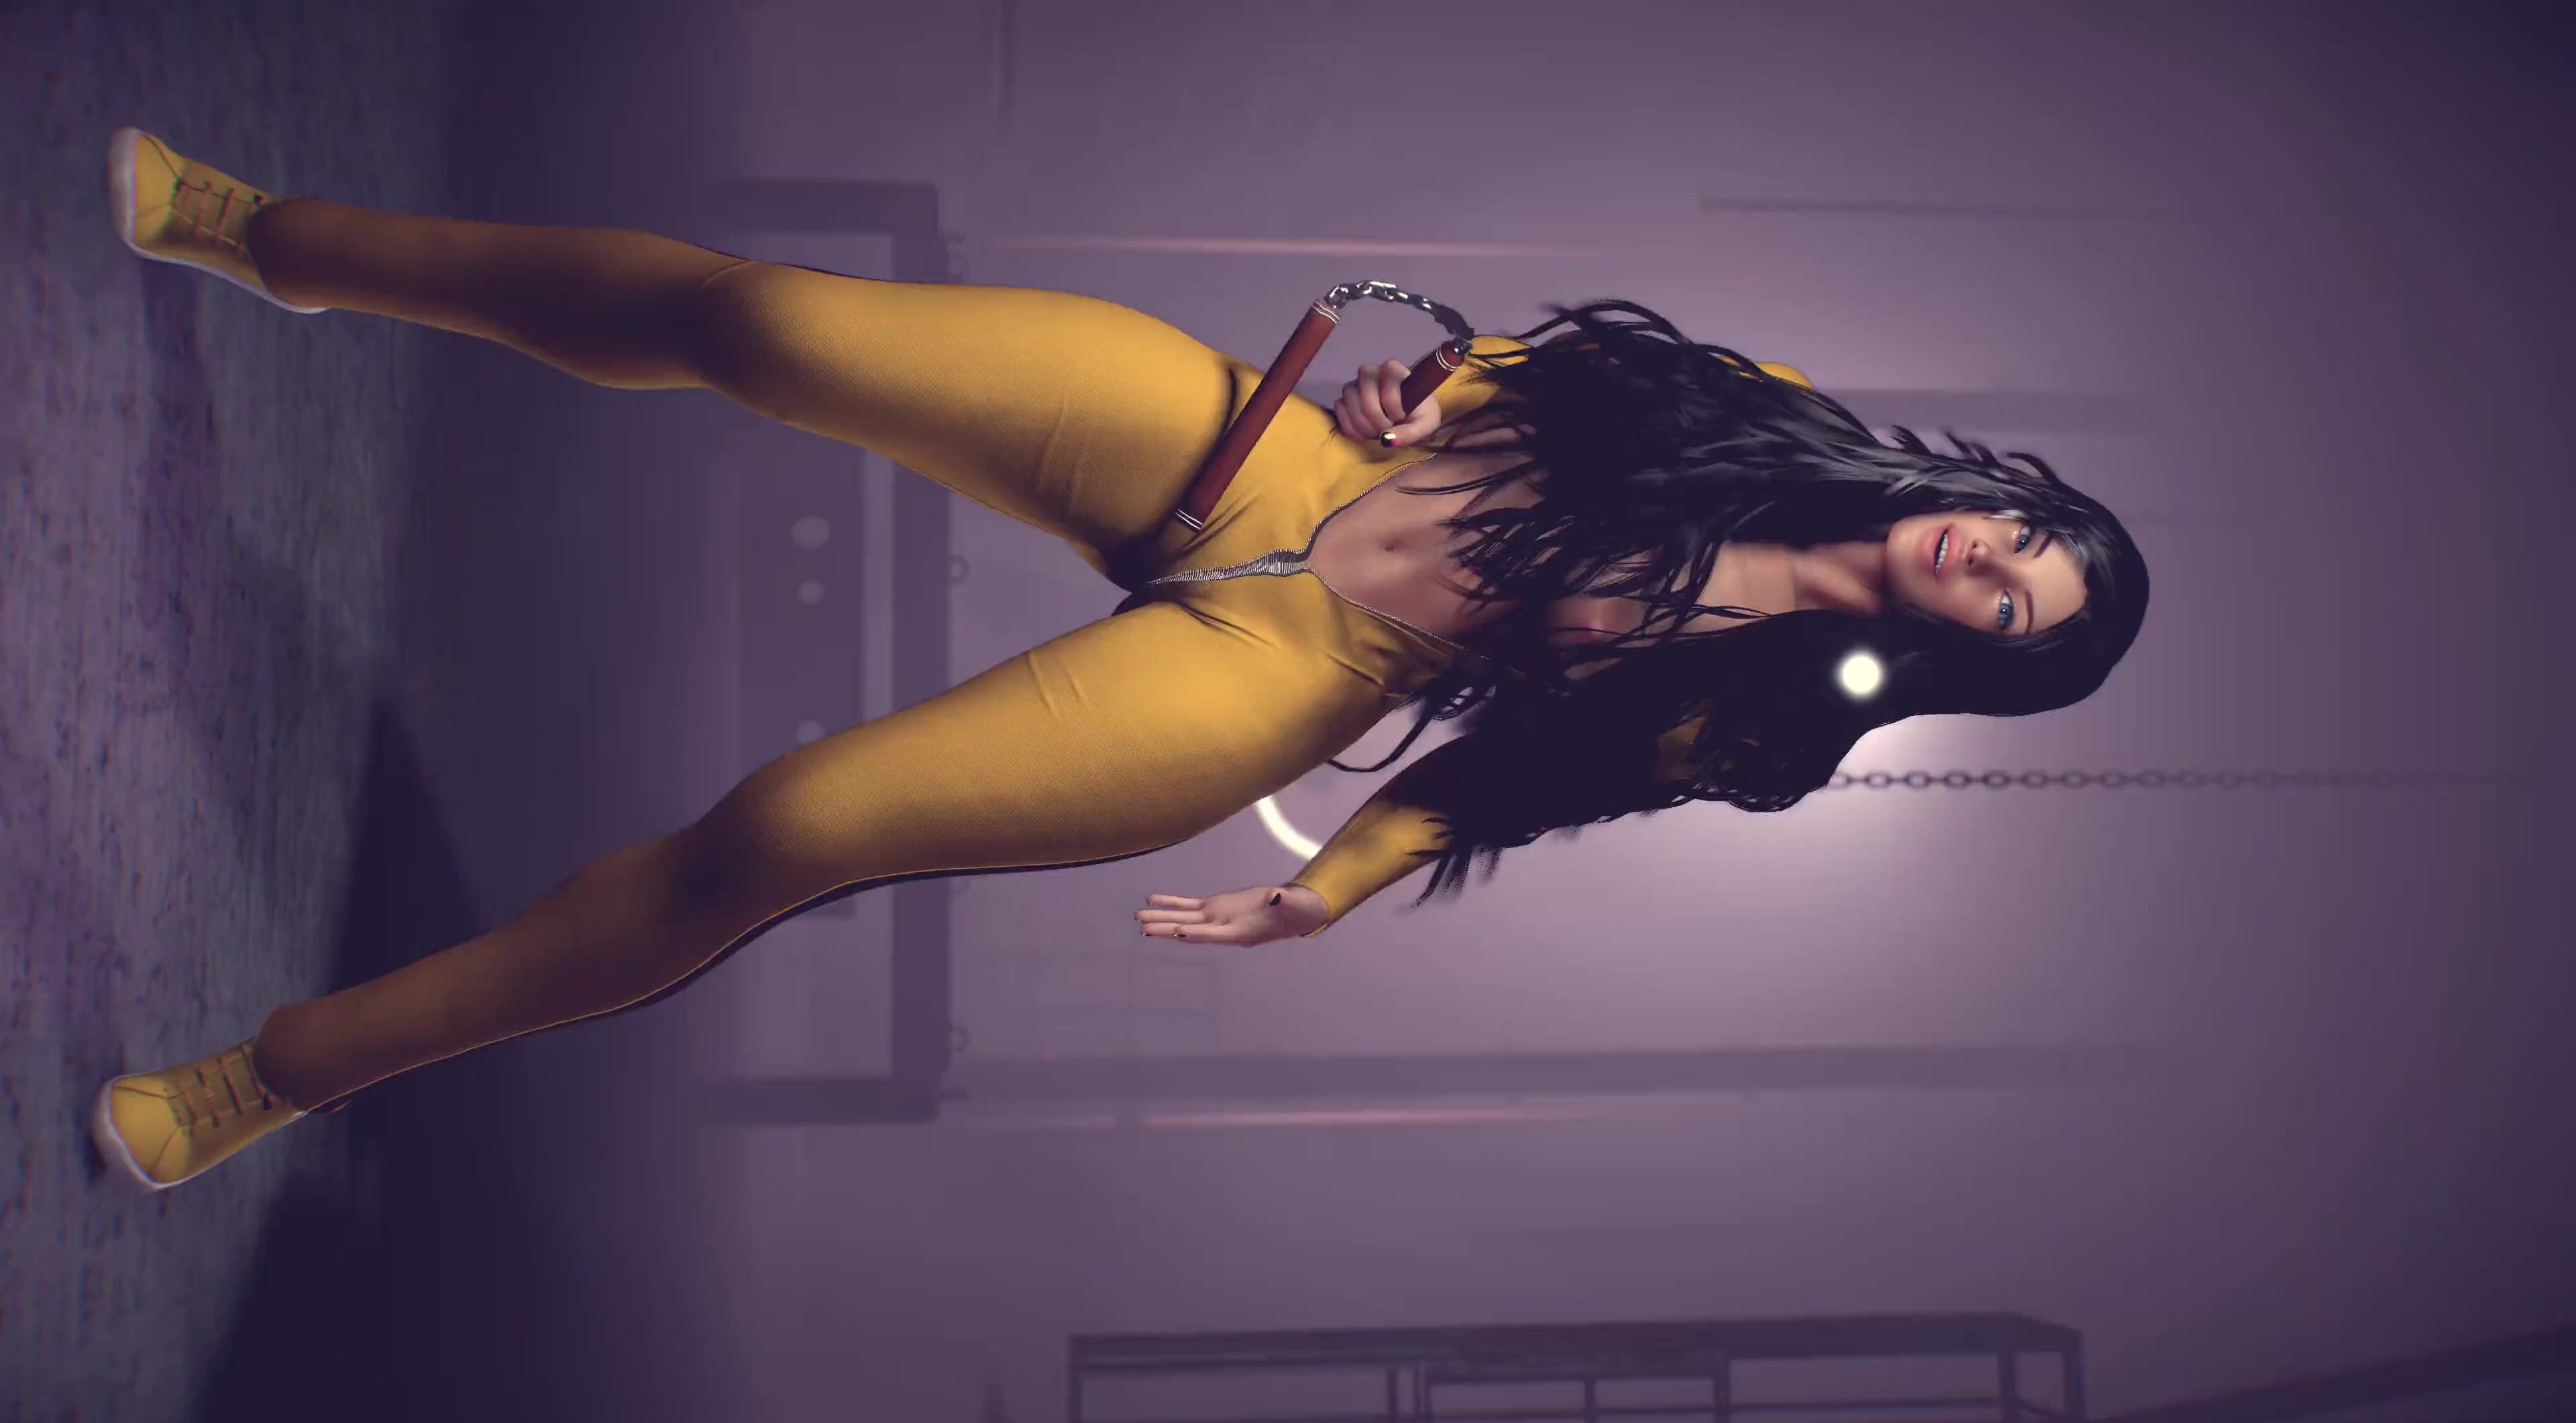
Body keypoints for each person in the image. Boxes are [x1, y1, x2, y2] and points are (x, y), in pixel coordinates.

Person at [90, 129, 2149, 1191]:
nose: (1993, 564)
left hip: (1294, 660)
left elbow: (1509, 785)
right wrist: (1440, 387)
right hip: (1265, 455)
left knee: (786, 832)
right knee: (770, 323)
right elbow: (1551, 363)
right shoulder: (1767, 412)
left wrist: (1329, 889)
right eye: (2028, 540)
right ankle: (273, 234)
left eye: (2015, 611)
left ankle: (276, 1078)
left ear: (1972, 657)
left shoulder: (1762, 713)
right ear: (2003, 491)